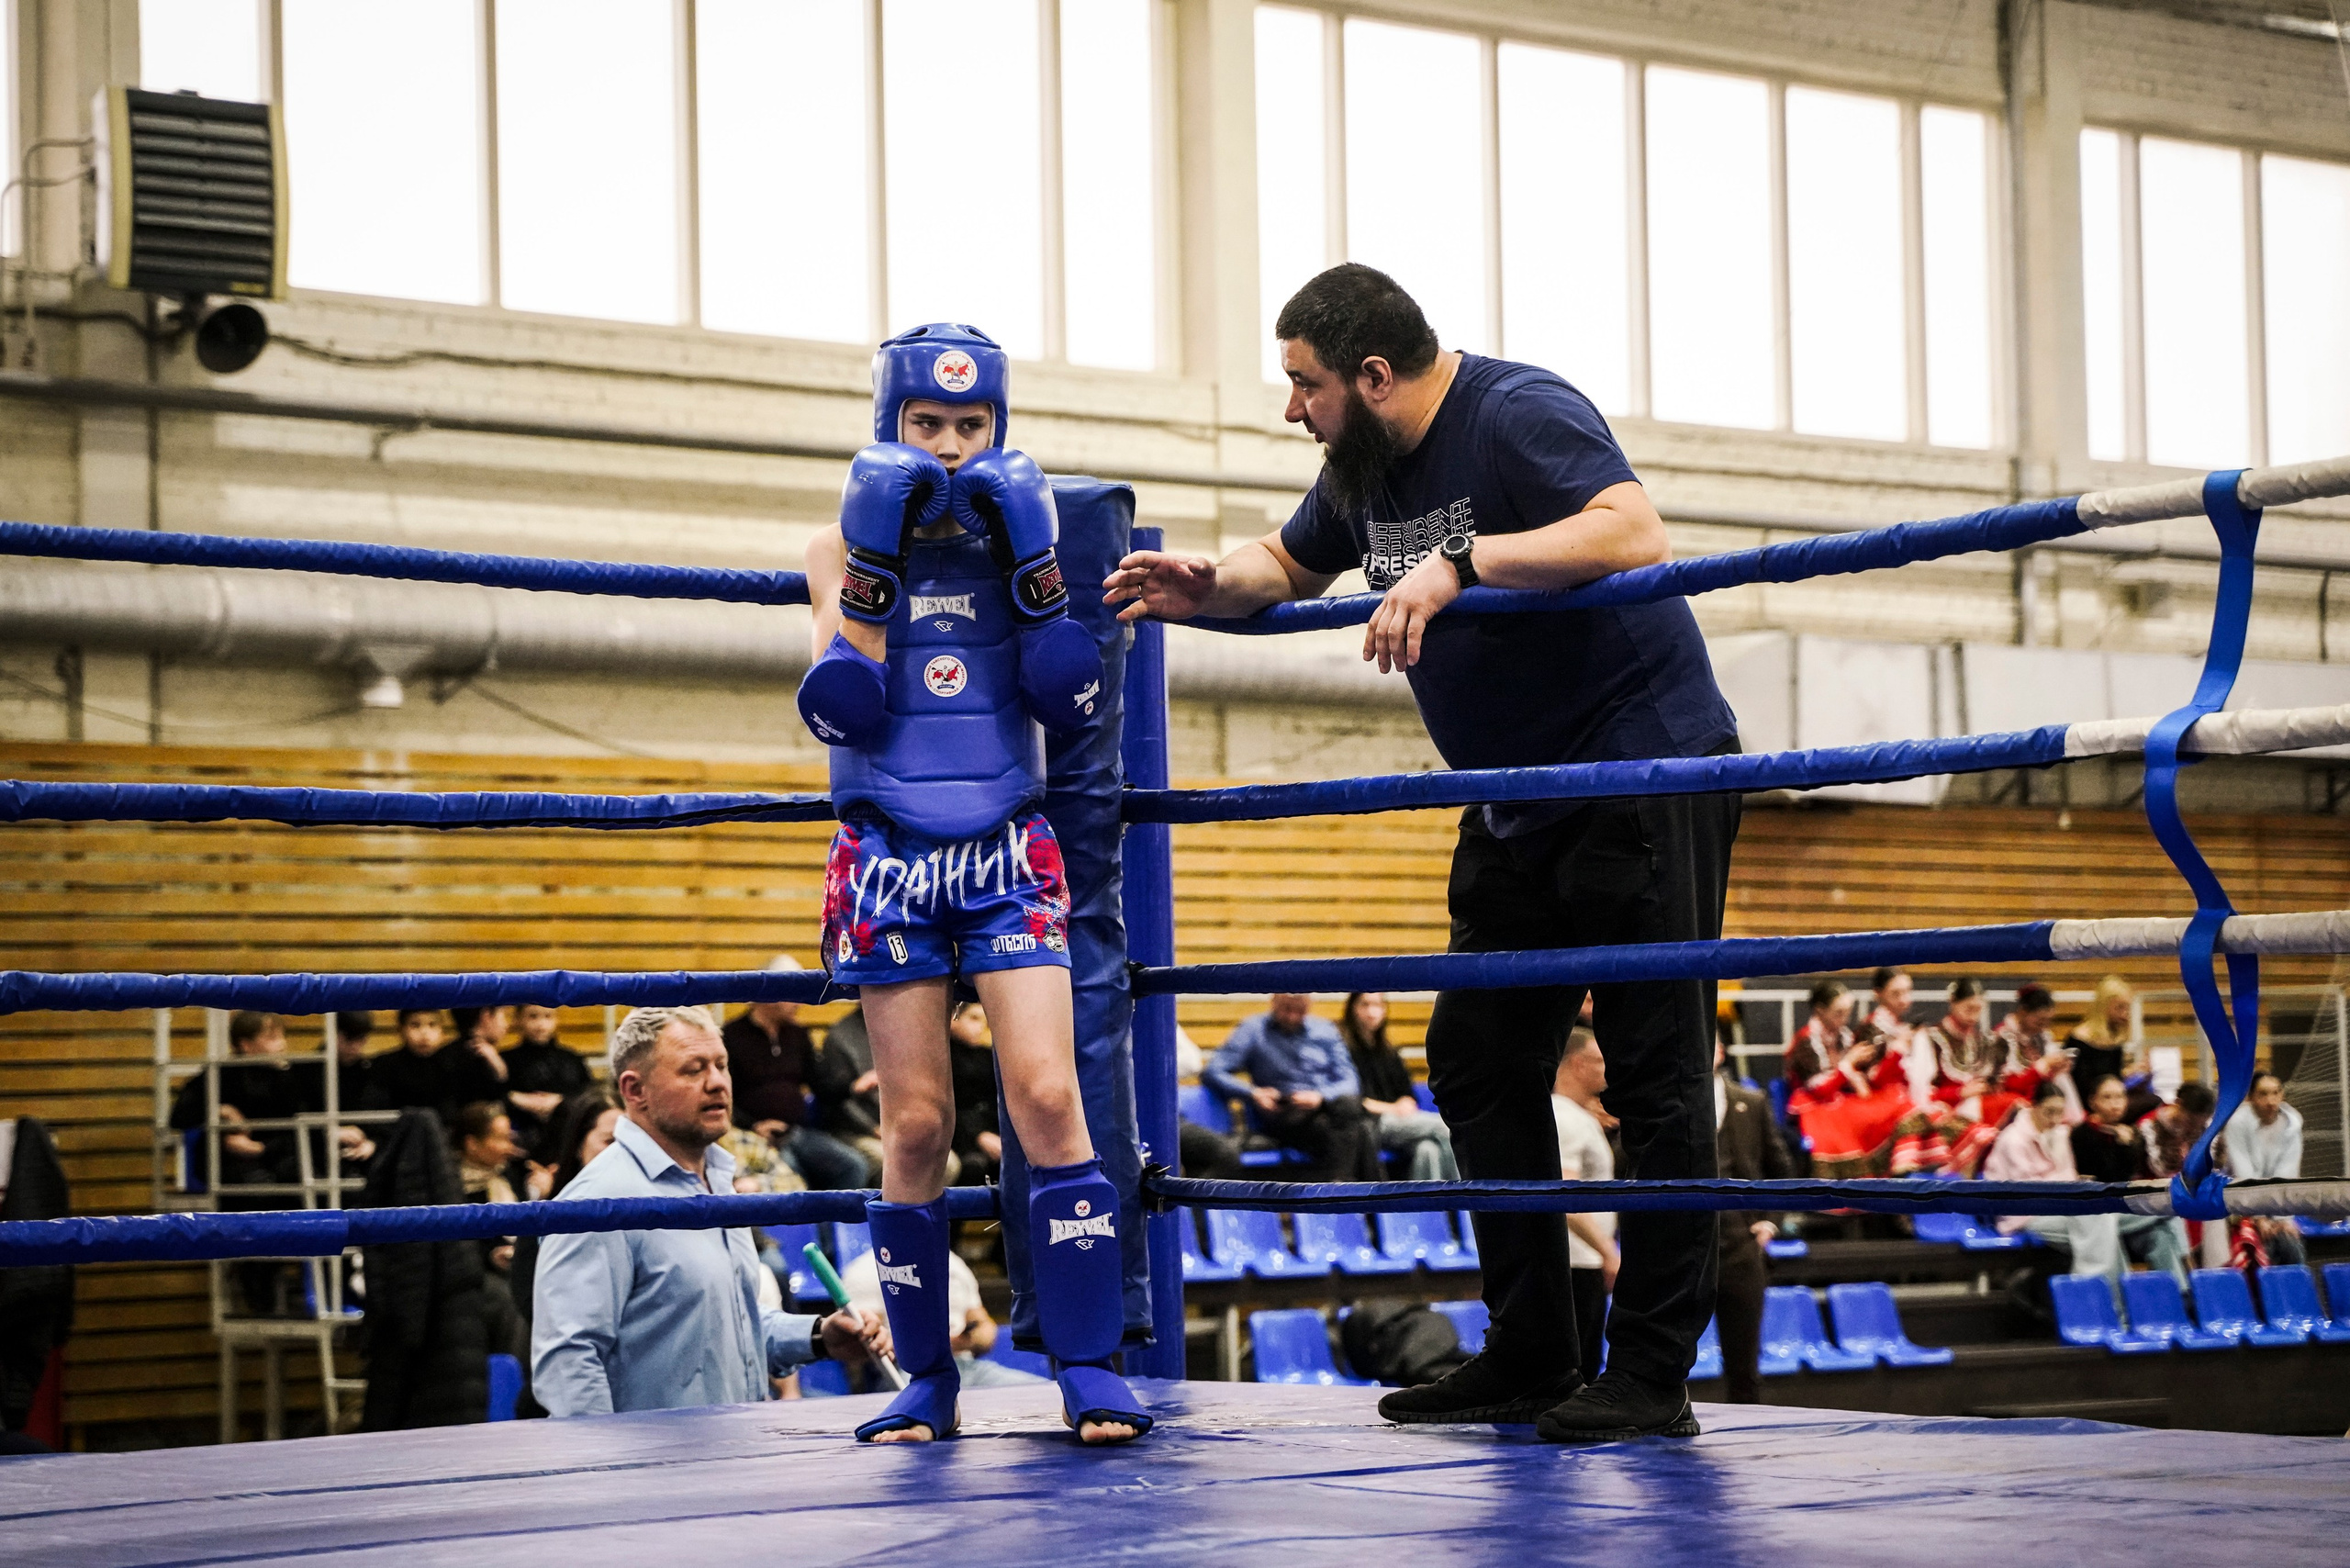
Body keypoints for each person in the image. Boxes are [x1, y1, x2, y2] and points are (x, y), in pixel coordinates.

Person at [1107, 263, 1740, 1441]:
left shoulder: (1514, 411)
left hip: (1641, 768)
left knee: (1654, 1073)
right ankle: (1536, 1352)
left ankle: (1651, 1373)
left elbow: (1633, 527)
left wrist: (1464, 561)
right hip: (1513, 796)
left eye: (1304, 383)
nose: (1292, 406)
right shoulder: (1362, 471)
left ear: (1375, 375)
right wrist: (1206, 583)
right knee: (1477, 1058)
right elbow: (1286, 566)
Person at [793, 322, 1147, 1447]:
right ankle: (926, 1379)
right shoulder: (829, 546)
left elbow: (1065, 696)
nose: (948, 447)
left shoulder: (1022, 538)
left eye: (970, 426)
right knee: (914, 1124)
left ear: (998, 429)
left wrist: (1038, 573)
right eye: (926, 426)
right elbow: (842, 701)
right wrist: (875, 558)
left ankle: (1087, 1366)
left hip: (1006, 841)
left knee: (1046, 1096)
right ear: (889, 428)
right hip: (891, 853)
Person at [531, 1006, 886, 1417]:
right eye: (693, 1070)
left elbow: (728, 1325)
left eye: (721, 1065)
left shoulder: (717, 1180)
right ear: (634, 1091)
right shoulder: (597, 1201)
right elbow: (568, 1365)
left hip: (733, 1457)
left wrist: (818, 1336)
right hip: (657, 1474)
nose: (717, 1082)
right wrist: (612, 1478)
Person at [722, 957, 873, 1191]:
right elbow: (724, 1094)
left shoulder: (797, 1035)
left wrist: (853, 1086)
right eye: (794, 994)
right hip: (753, 1138)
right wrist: (753, 1126)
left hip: (798, 1133)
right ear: (771, 995)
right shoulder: (732, 1037)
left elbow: (821, 1086)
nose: (800, 1002)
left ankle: (834, 1229)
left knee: (853, 1166)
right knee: (792, 1177)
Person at [1203, 993, 1382, 1182]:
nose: (1292, 1017)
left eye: (1300, 1011)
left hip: (1328, 1110)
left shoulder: (1325, 1030)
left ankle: (1339, 1187)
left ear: (1309, 1006)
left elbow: (1350, 1081)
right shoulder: (1253, 1030)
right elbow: (1213, 1072)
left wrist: (1320, 1097)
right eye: (1286, 1009)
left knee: (1352, 1118)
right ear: (1273, 1002)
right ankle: (1364, 1198)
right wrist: (1252, 1093)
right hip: (1283, 1112)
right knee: (1360, 1126)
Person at [840, 1244, 1046, 1389]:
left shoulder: (952, 1263)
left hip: (968, 1367)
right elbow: (864, 1344)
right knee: (924, 1404)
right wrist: (930, 1348)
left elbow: (986, 1330)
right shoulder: (866, 1270)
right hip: (910, 1371)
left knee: (1045, 1393)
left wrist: (964, 1341)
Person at [1713, 1034, 1792, 1404]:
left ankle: (1746, 1442)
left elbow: (1781, 1168)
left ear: (1722, 1051)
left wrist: (1770, 1220)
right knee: (1668, 1358)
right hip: (1682, 1245)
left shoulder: (1752, 1102)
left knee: (1744, 1362)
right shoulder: (1665, 1105)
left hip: (1740, 1245)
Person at [1550, 1031, 1620, 1382]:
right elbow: (1567, 1195)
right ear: (1578, 1065)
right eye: (1600, 1060)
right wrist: (1607, 1250)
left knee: (1584, 1366)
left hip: (1581, 1259)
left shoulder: (1576, 1116)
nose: (1608, 1069)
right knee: (1580, 1371)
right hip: (1578, 1262)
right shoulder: (1567, 1119)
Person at [1340, 991, 1458, 1181]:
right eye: (1365, 1005)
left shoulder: (1389, 1050)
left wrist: (1406, 1101)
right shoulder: (1343, 1050)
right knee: (1444, 1128)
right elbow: (1351, 1101)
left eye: (1378, 1005)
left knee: (1427, 1150)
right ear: (1352, 1009)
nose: (1372, 1012)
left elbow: (1407, 1092)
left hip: (1399, 1121)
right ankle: (1464, 1199)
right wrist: (1393, 1108)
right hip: (1371, 1124)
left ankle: (1425, 1206)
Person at [2224, 1071, 2306, 1266]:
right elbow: (2243, 1172)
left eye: (2276, 1093)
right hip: (2238, 1204)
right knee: (2262, 1246)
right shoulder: (2236, 1124)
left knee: (2290, 1243)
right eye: (2263, 1094)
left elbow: (2287, 1174)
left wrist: (2282, 1219)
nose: (2271, 1101)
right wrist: (2259, 1218)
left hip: (2277, 1204)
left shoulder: (2292, 1125)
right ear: (2250, 1097)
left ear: (2282, 1095)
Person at [367, 1008, 504, 1121]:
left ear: (441, 1031)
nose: (424, 1033)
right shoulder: (386, 1064)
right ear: (401, 1029)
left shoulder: (451, 1063)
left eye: (432, 1025)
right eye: (415, 1025)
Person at [502, 1003, 590, 1160]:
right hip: (518, 1145)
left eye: (548, 1016)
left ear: (556, 1019)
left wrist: (560, 1102)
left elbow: (589, 1098)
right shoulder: (505, 1060)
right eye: (533, 1016)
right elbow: (492, 1097)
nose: (541, 1025)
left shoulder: (572, 1060)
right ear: (518, 1019)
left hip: (564, 1144)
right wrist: (515, 1099)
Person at [810, 1005, 886, 1182]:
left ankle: (917, 1210)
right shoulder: (842, 1036)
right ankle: (886, 1209)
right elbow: (836, 1096)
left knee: (946, 1162)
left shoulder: (904, 1032)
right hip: (853, 1131)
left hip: (895, 1127)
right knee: (888, 1160)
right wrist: (873, 1129)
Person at [1996, 983, 2080, 1124]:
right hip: (2013, 1097)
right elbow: (2008, 1085)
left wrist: (2056, 1068)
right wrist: (2043, 1066)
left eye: (2048, 1021)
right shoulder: (2003, 1037)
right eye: (2040, 1020)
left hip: (2039, 1093)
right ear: (2022, 1012)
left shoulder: (2041, 1036)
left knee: (2062, 1078)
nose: (2044, 1026)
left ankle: (2073, 1123)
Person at [947, 1002, 1003, 1187]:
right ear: (952, 1019)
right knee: (975, 1165)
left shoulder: (988, 1056)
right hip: (957, 1136)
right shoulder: (943, 1058)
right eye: (973, 1018)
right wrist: (978, 1135)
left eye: (984, 1022)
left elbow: (995, 1101)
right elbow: (951, 1107)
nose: (979, 1027)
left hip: (990, 1130)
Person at [2065, 975, 2138, 1092]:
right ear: (2103, 1006)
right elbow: (2078, 1083)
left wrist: (2130, 1073)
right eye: (2119, 1008)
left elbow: (2115, 1077)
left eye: (2127, 1008)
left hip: (2110, 1098)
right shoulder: (2079, 1039)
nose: (2125, 1014)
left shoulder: (2115, 1039)